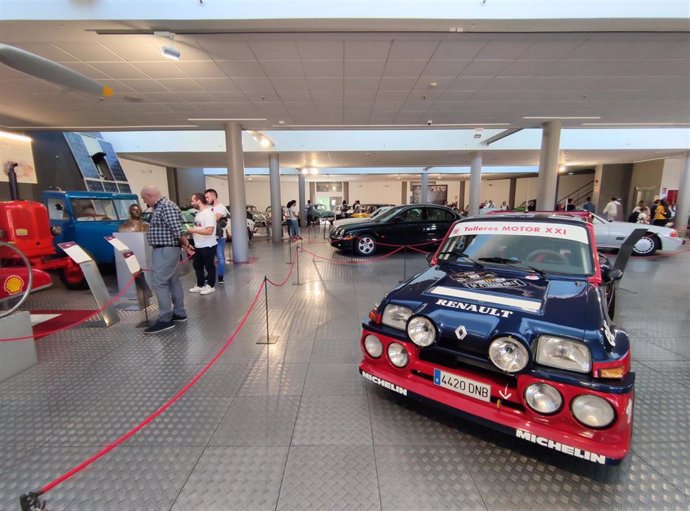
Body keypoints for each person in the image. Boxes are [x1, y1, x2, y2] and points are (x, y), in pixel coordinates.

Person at [140, 185, 192, 334]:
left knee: (159, 282)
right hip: (166, 249)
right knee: (172, 280)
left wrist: (186, 244)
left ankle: (165, 319)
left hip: (165, 250)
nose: (144, 202)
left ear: (149, 195)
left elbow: (177, 229)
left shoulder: (165, 206)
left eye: (144, 198)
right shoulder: (161, 207)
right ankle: (179, 313)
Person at [187, 193, 217, 295]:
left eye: (193, 201)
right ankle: (200, 285)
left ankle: (211, 285)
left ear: (198, 201)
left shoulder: (208, 214)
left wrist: (193, 231)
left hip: (208, 245)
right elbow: (199, 227)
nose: (192, 203)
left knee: (209, 266)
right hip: (198, 245)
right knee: (197, 265)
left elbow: (209, 231)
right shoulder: (199, 213)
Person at [204, 189, 229, 284]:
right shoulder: (207, 208)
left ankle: (220, 276)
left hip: (219, 237)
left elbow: (214, 218)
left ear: (214, 196)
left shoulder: (221, 207)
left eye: (207, 197)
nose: (206, 199)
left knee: (220, 257)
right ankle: (210, 275)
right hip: (209, 237)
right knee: (208, 258)